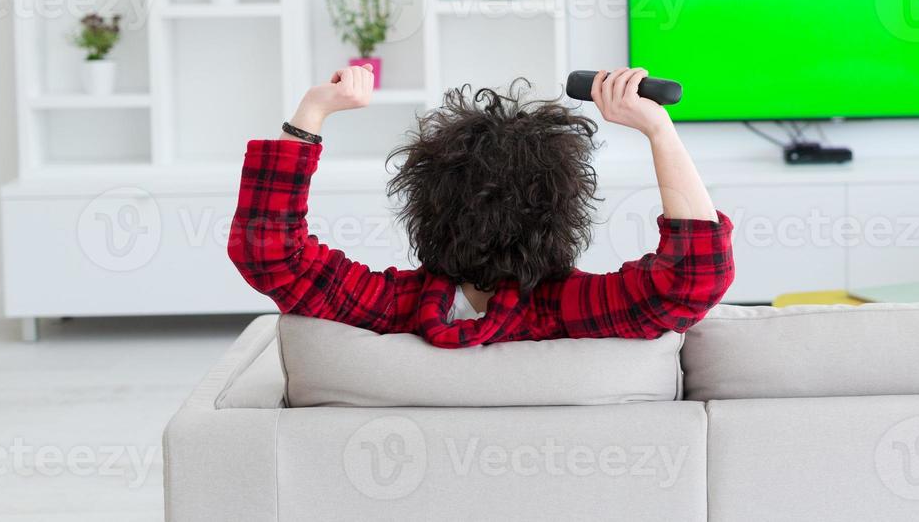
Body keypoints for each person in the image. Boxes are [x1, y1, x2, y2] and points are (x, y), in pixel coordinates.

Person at [228, 65, 734, 347]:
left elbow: (270, 252)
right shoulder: (567, 313)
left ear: (424, 207)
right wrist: (658, 130)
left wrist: (311, 112)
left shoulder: (393, 309)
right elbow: (693, 278)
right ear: (564, 214)